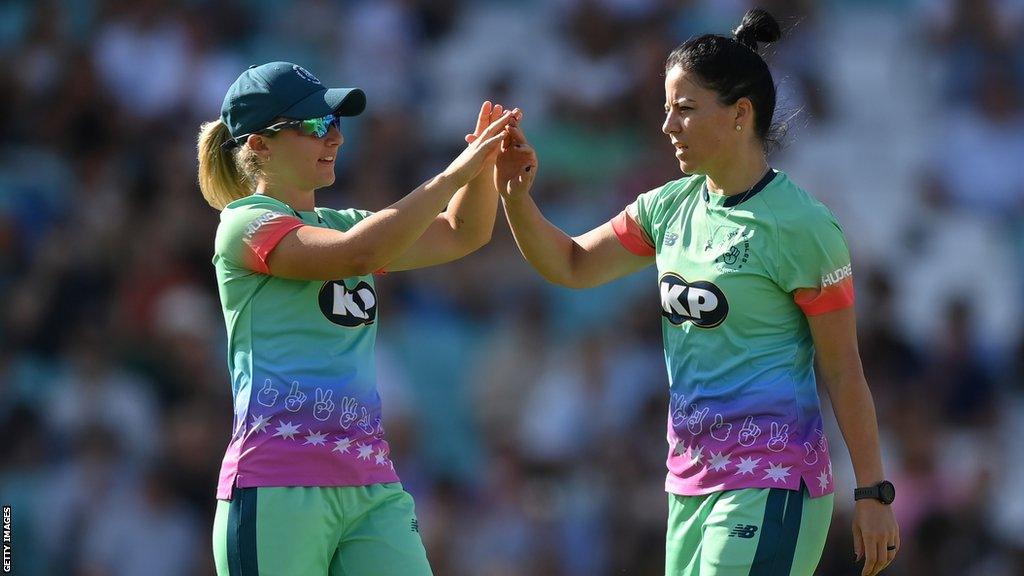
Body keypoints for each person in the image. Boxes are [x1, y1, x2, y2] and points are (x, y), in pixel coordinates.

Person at [492, 9, 900, 576]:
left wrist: (874, 494)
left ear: (740, 115)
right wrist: (515, 196)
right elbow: (571, 264)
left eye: (684, 109)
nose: (667, 126)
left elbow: (844, 370)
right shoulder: (667, 207)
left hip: (771, 481)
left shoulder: (803, 227)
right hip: (689, 484)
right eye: (666, 109)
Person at [196, 61, 518, 576]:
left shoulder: (347, 224)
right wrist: (454, 171)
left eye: (337, 124)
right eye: (317, 125)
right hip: (277, 484)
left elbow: (464, 232)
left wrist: (482, 167)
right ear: (259, 144)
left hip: (371, 485)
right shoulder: (243, 224)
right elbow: (353, 256)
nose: (337, 138)